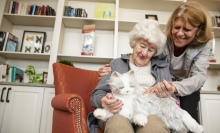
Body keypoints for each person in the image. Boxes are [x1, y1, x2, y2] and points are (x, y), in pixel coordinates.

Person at [98, 1, 213, 125]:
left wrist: (175, 87)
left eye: (187, 29)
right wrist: (113, 69)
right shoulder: (163, 38)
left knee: (187, 119)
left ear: (199, 30)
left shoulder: (204, 44)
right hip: (164, 80)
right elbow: (142, 53)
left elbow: (199, 76)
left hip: (187, 84)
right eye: (177, 27)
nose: (179, 33)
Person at [88, 19, 171, 133]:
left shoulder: (162, 67)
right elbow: (96, 95)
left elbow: (171, 97)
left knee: (155, 129)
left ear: (155, 52)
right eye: (142, 46)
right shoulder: (116, 64)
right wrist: (103, 101)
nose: (145, 53)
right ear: (134, 42)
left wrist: (161, 92)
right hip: (118, 112)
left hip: (149, 112)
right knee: (119, 126)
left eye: (150, 50)